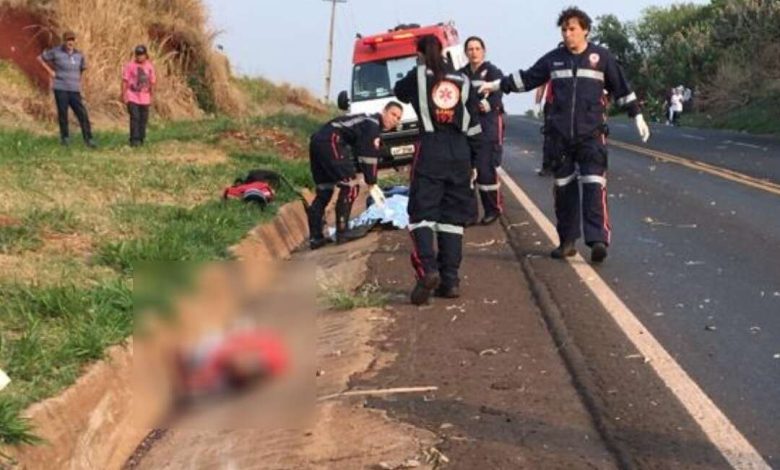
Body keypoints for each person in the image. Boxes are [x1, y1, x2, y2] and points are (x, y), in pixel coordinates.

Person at [480, 7, 650, 263]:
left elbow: (622, 88)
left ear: (585, 31)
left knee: (594, 186)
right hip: (559, 138)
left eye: (572, 29)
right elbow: (527, 78)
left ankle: (598, 240)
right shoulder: (554, 59)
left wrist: (637, 114)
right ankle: (567, 241)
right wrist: (496, 84)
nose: (568, 34)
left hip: (591, 135)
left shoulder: (601, 58)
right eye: (564, 30)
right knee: (564, 190)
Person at [394, 35, 483, 304]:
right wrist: (476, 161)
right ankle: (450, 281)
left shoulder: (419, 75)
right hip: (460, 153)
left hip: (430, 149)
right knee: (452, 219)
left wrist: (420, 67)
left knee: (421, 213)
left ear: (418, 53)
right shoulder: (463, 80)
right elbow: (475, 125)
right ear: (444, 50)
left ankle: (428, 270)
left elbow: (399, 91)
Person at [307, 102, 403, 249]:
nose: (395, 119)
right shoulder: (372, 125)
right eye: (393, 114)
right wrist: (372, 182)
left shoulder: (368, 123)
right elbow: (368, 156)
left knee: (325, 190)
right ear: (384, 111)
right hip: (331, 140)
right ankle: (342, 232)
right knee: (351, 186)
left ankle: (316, 238)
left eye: (398, 117)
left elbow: (364, 150)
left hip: (317, 141)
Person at [459, 36, 505, 225]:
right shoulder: (460, 74)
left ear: (483, 51)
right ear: (465, 52)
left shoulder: (492, 71)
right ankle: (469, 214)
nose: (474, 52)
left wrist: (489, 103)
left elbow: (500, 92)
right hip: (467, 127)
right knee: (467, 171)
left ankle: (492, 209)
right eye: (470, 49)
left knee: (486, 170)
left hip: (488, 126)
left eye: (477, 48)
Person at [37, 31, 96, 148]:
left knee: (82, 114)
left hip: (74, 89)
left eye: (72, 40)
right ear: (64, 41)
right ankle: (65, 138)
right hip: (61, 88)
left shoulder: (79, 55)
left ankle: (88, 139)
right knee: (63, 114)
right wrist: (51, 72)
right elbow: (40, 58)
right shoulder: (56, 52)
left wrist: (80, 83)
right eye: (68, 40)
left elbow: (82, 70)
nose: (70, 42)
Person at [122, 45, 156, 146]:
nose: (139, 57)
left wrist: (152, 95)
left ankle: (141, 138)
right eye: (138, 55)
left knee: (143, 119)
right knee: (135, 117)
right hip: (132, 96)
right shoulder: (130, 66)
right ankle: (134, 139)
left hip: (145, 98)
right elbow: (125, 81)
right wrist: (124, 94)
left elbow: (152, 82)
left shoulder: (149, 67)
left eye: (141, 55)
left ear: (146, 55)